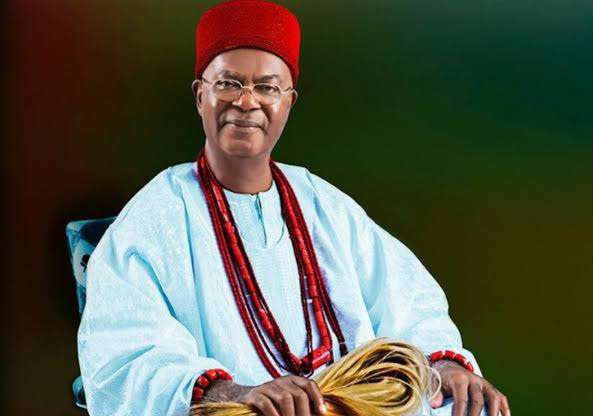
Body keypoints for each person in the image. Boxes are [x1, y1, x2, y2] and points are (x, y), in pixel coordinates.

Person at [76, 1, 511, 415]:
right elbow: (126, 355)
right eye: (228, 84)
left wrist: (445, 364)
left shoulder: (323, 204)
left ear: (288, 102)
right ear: (199, 96)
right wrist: (233, 393)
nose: (246, 102)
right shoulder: (155, 217)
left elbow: (410, 302)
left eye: (267, 87)